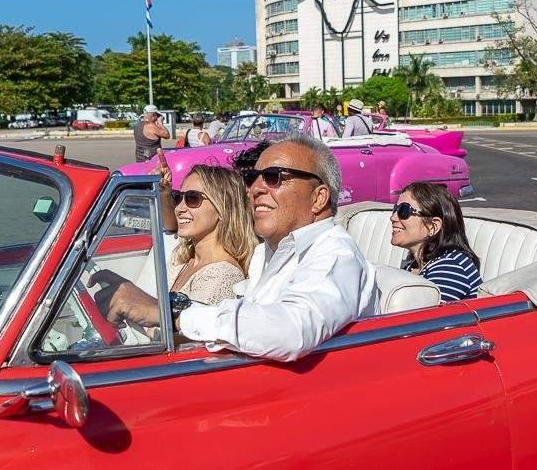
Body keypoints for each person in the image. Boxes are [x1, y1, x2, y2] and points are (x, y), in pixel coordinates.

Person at [103, 133, 376, 361]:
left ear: (318, 198)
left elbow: (291, 331)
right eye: (252, 178)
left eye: (273, 177)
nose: (254, 188)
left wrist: (168, 314)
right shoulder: (268, 253)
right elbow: (173, 231)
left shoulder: (335, 253)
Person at [90, 163, 255, 325]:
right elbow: (171, 225)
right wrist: (163, 193)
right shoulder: (185, 258)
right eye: (178, 198)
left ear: (222, 208)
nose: (179, 208)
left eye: (192, 198)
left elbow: (191, 336)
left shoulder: (222, 275)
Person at [390, 182, 482, 302]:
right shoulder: (414, 266)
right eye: (395, 209)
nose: (393, 217)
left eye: (404, 211)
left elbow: (421, 317)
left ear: (433, 226)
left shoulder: (450, 268)